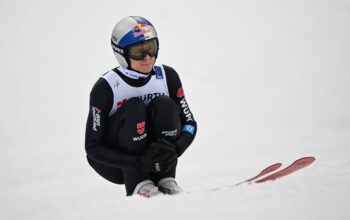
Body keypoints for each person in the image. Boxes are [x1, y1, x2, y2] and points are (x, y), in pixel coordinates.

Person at [85, 16, 197, 197]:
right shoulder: (106, 87)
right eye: (138, 51)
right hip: (117, 165)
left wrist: (175, 150)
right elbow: (92, 148)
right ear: (121, 53)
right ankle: (138, 185)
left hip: (156, 159)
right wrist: (138, 162)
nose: (147, 57)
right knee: (134, 109)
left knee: (165, 105)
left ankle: (165, 179)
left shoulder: (167, 76)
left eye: (151, 48)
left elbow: (190, 123)